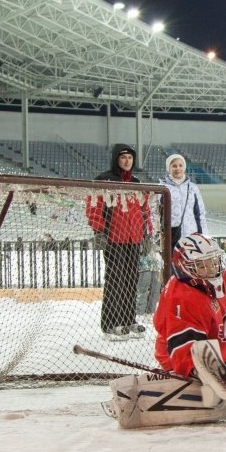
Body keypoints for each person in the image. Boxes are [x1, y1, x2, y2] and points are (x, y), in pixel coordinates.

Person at [103, 233, 226, 428]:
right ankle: (194, 389)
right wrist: (205, 376)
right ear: (184, 268)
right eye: (202, 265)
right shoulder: (183, 297)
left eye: (214, 262)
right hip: (185, 359)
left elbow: (225, 316)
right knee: (214, 396)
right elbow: (186, 348)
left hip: (218, 349)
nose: (211, 269)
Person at [87, 143, 154, 338]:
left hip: (134, 239)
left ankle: (128, 320)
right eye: (123, 157)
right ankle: (110, 324)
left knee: (131, 280)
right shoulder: (104, 179)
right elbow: (94, 205)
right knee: (115, 281)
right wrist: (98, 231)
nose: (127, 161)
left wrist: (147, 233)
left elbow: (145, 211)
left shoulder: (137, 182)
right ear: (116, 159)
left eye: (130, 158)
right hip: (113, 238)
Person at [160, 153, 208, 247]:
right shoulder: (162, 188)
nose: (178, 168)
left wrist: (204, 236)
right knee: (170, 261)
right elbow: (156, 213)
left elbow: (200, 214)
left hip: (191, 235)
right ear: (168, 169)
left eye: (180, 165)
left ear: (184, 167)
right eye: (174, 166)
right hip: (170, 235)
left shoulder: (192, 188)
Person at [135, 235, 163, 319]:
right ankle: (141, 313)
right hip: (147, 260)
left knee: (154, 289)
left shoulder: (158, 225)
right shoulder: (145, 225)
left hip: (154, 260)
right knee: (145, 288)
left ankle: (147, 312)